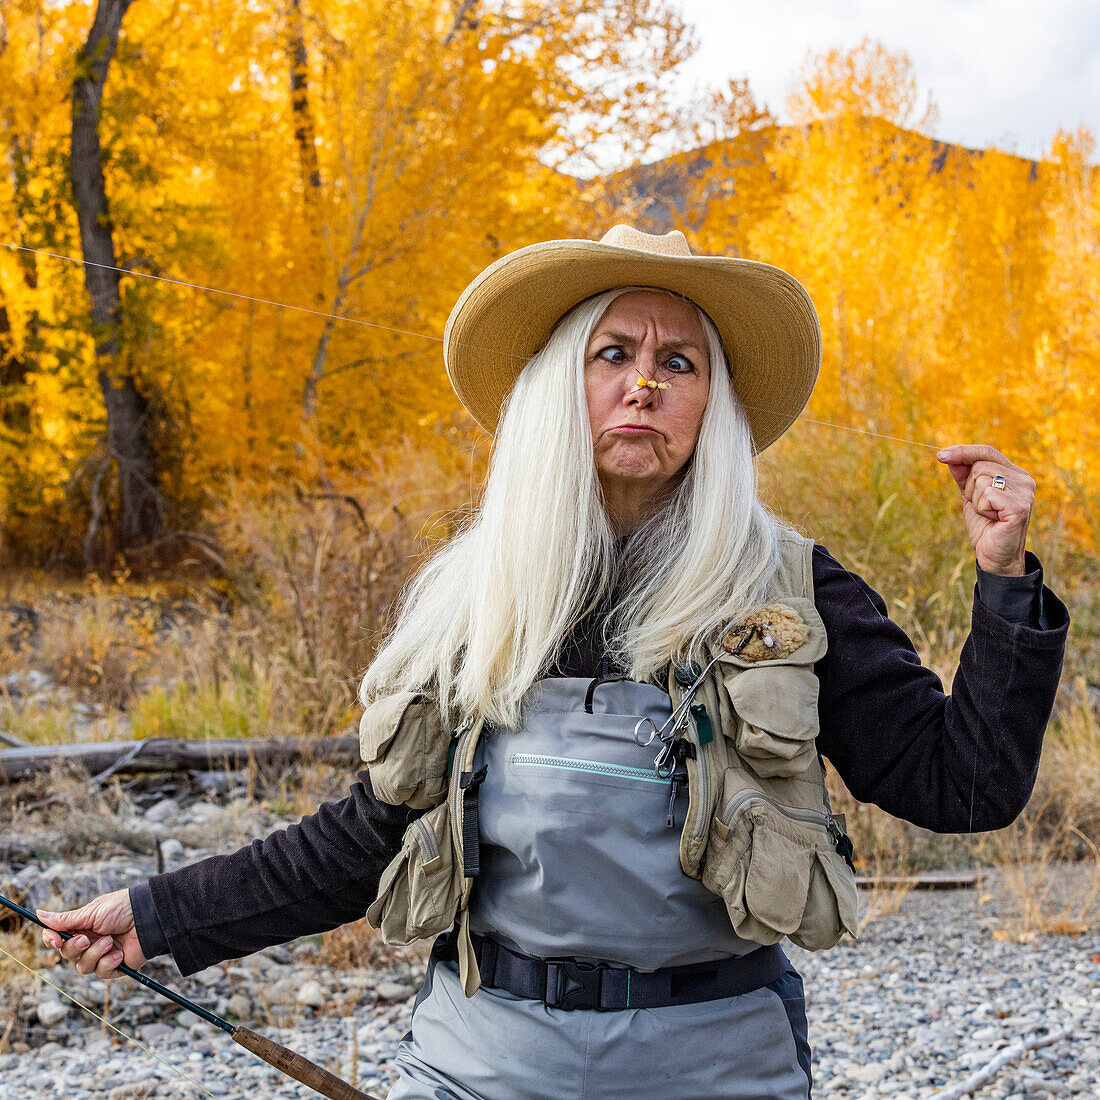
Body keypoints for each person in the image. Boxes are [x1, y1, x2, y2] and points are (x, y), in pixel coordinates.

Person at [40, 226, 1069, 1099]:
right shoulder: (474, 591)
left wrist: (1002, 576)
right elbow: (365, 838)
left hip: (722, 1068)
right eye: (611, 352)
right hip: (477, 1065)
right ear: (556, 383)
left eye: (678, 363)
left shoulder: (790, 584)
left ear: (710, 405)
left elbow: (958, 786)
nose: (642, 385)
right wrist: (157, 914)